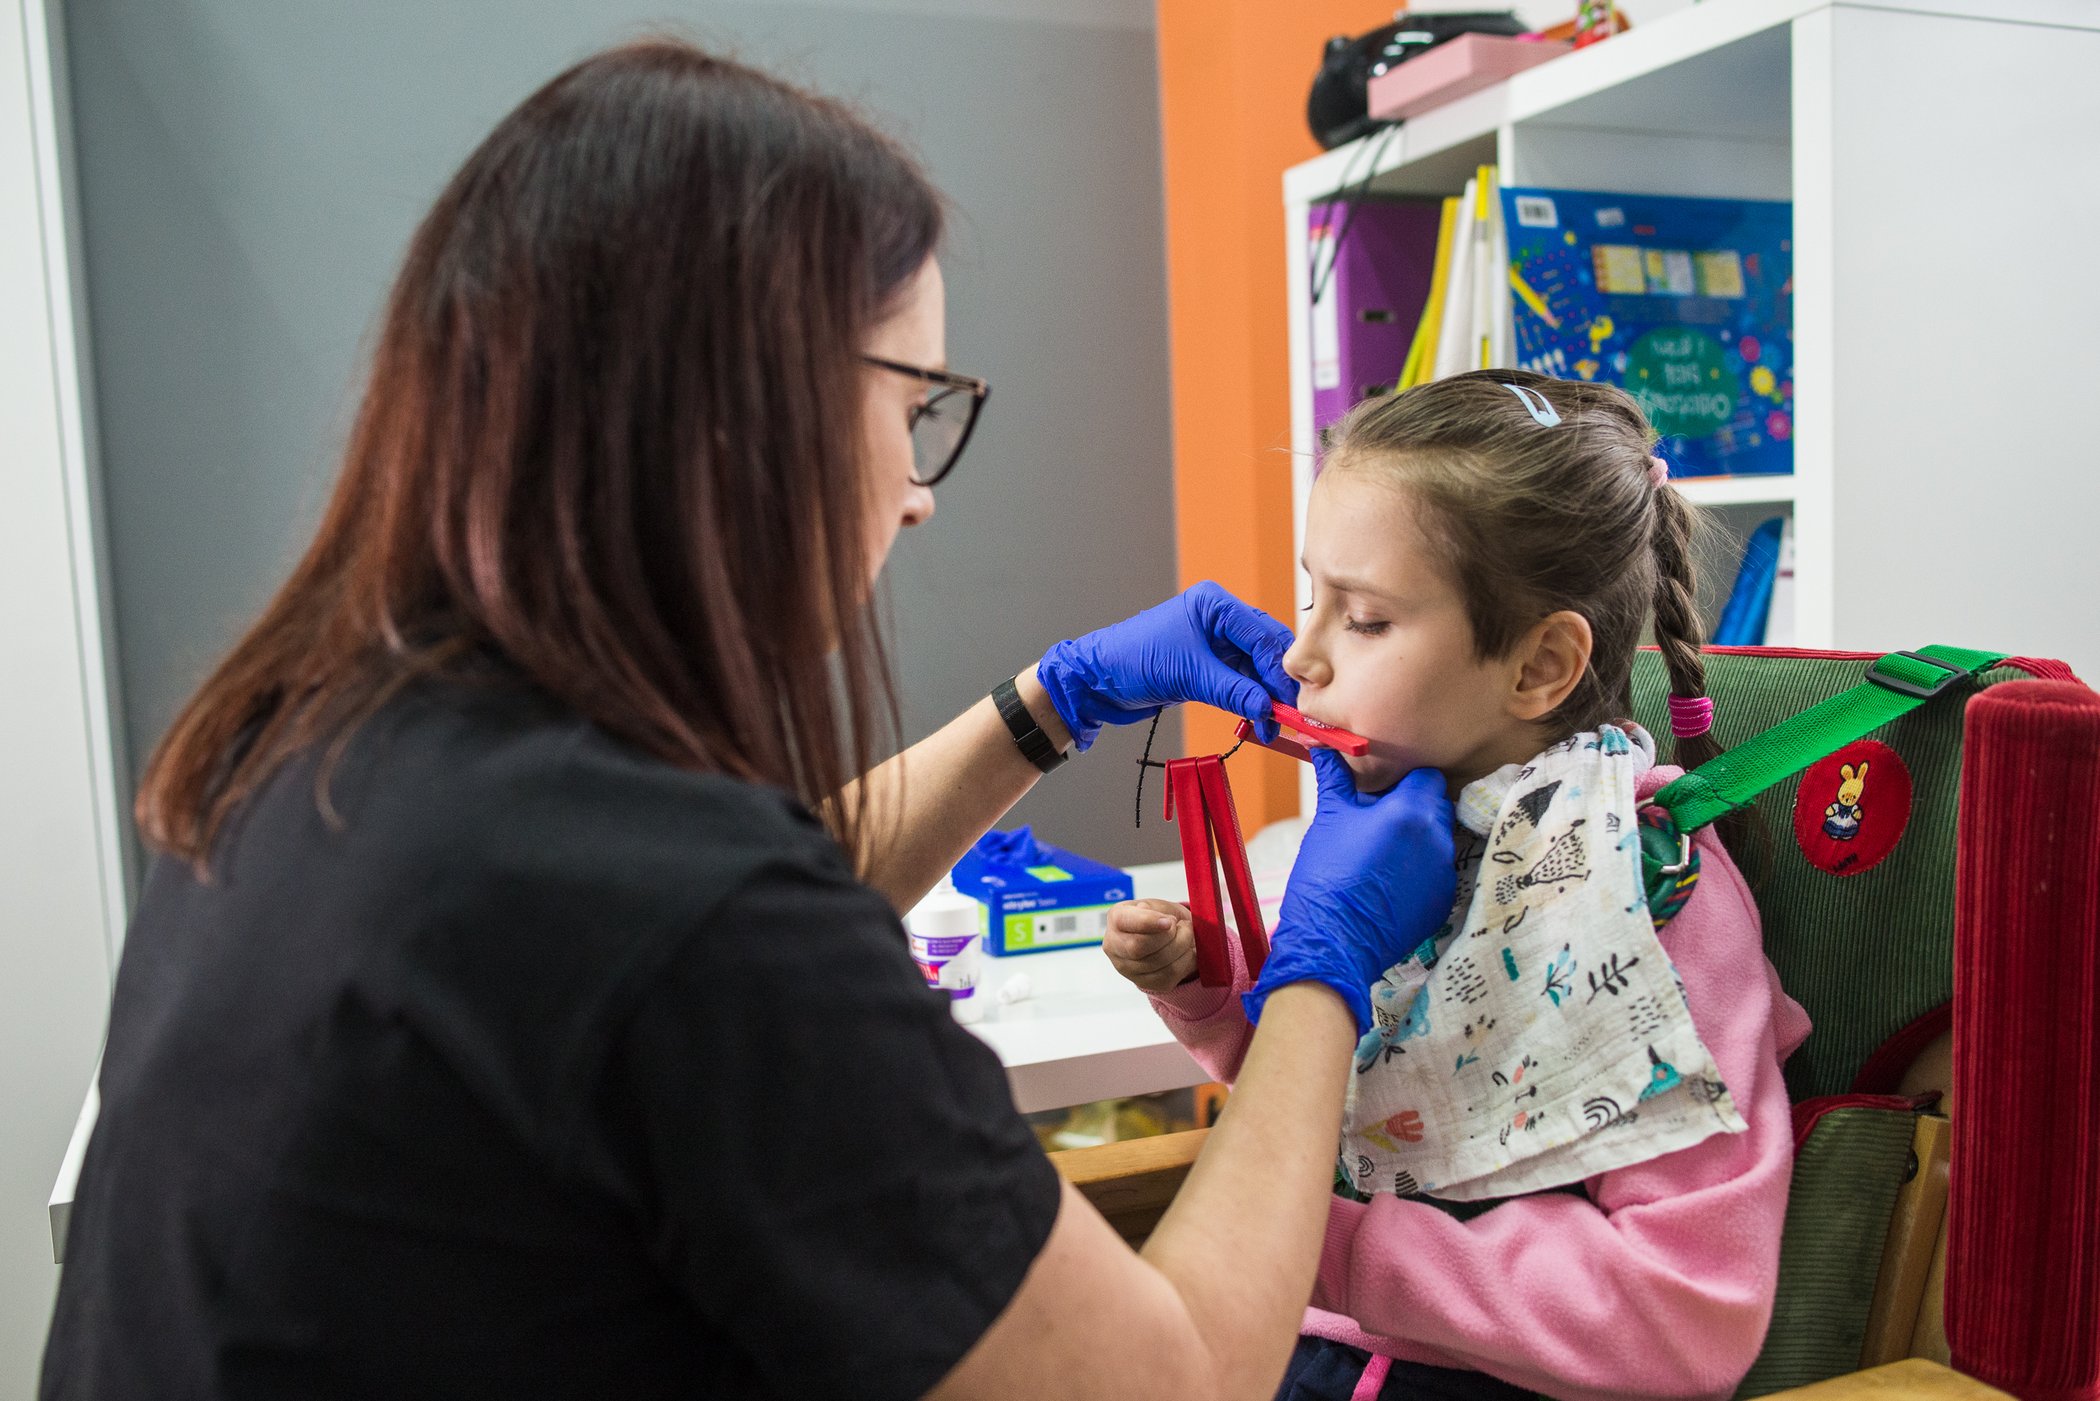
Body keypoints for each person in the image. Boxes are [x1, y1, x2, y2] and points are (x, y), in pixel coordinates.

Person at [40, 40, 1465, 1401]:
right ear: (739, 414)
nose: (917, 494)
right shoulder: (676, 917)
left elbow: (711, 917)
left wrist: (1051, 703)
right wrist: (1320, 973)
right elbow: (1172, 1379)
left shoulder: (316, 738)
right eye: (914, 407)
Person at [1105, 370, 1814, 1401]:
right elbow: (1353, 1106)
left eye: (1365, 619)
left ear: (1539, 666)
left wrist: (1327, 1243)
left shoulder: (1647, 899)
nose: (1299, 657)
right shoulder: (1394, 841)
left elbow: (1684, 1314)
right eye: (1311, 599)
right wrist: (1212, 993)